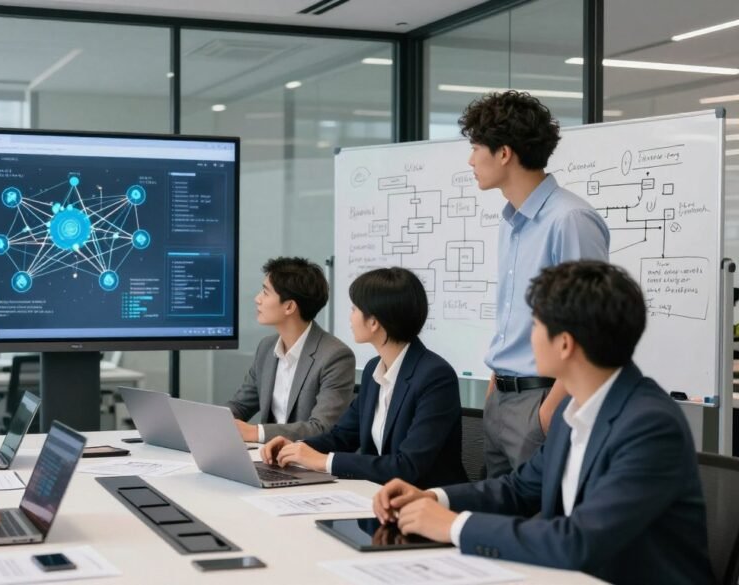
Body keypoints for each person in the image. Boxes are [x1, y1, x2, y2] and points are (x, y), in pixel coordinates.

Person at [371, 261, 714, 584]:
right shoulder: (574, 411)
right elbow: (518, 489)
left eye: (533, 326)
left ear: (565, 344)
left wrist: (454, 526)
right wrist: (432, 498)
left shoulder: (649, 426)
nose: (525, 338)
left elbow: (579, 540)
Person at [462, 91, 610, 477]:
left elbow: (588, 325)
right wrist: (496, 382)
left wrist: (549, 411)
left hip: (543, 398)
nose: (471, 159)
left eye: (476, 148)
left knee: (537, 522)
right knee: (495, 517)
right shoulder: (509, 222)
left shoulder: (569, 219)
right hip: (500, 397)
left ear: (505, 153)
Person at [261, 268, 466, 486]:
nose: (350, 317)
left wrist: (325, 462)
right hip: (376, 497)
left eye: (354, 309)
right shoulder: (373, 370)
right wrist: (296, 447)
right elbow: (343, 436)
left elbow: (408, 466)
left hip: (425, 504)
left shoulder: (435, 377)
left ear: (374, 322)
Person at [226, 257, 356, 443]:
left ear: (289, 307)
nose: (257, 299)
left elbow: (322, 427)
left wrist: (257, 432)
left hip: (307, 463)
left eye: (265, 292)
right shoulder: (266, 347)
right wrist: (213, 421)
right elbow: (241, 405)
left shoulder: (335, 356)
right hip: (266, 458)